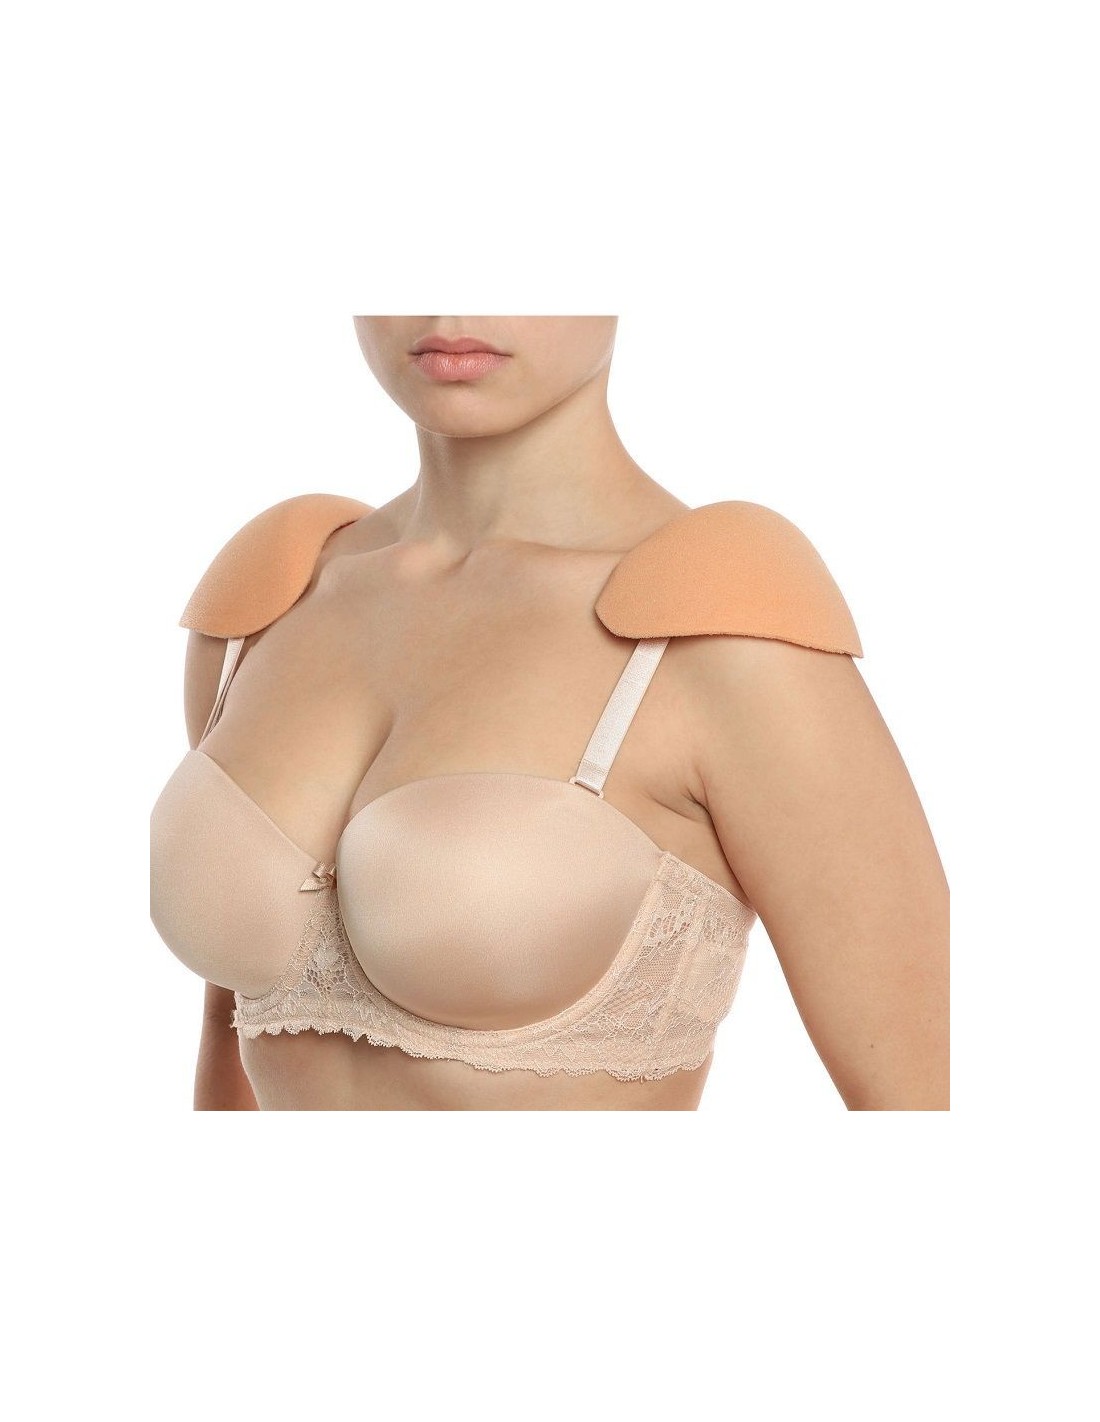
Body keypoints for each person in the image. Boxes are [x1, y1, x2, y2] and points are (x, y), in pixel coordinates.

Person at [150, 316, 949, 1111]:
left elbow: (924, 1103)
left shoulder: (717, 619)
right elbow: (228, 1038)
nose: (451, 306)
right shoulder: (276, 594)